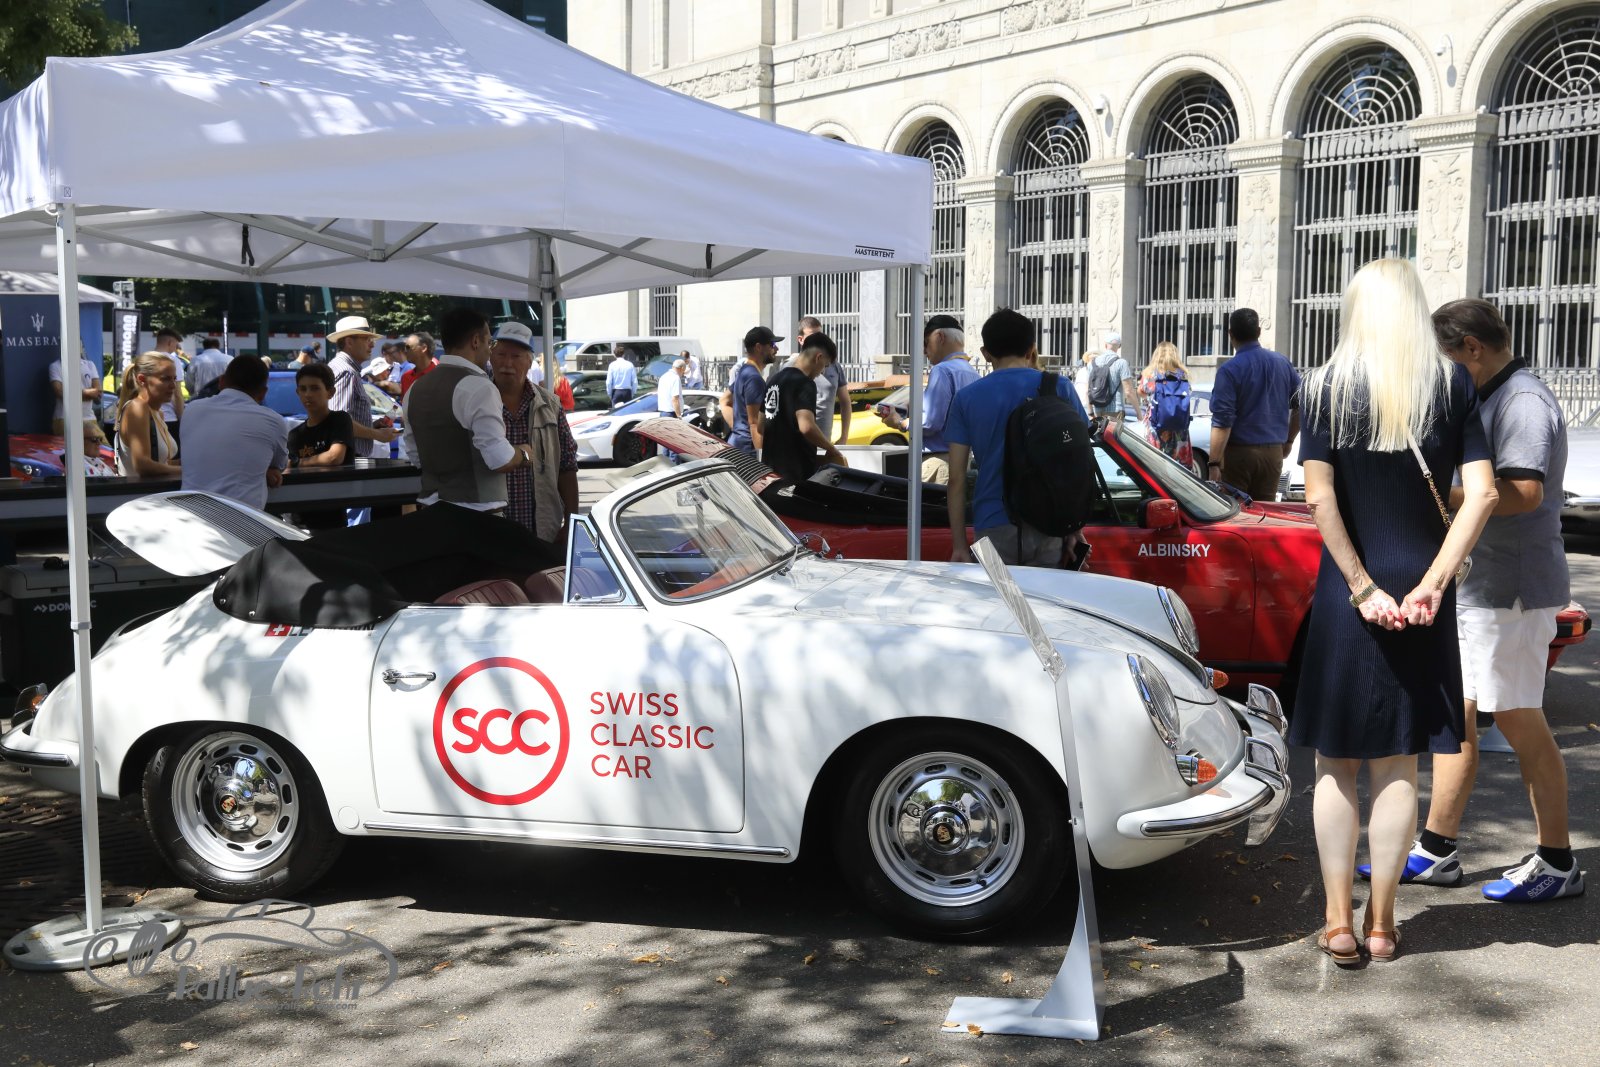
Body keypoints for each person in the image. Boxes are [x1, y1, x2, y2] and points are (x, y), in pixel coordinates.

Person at [1289, 259, 1497, 966]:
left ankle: (1336, 921)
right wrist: (1434, 584)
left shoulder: (1323, 387)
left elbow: (1319, 498)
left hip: (1349, 590)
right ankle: (1382, 923)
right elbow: (1483, 494)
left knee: (1335, 761)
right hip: (1421, 587)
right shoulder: (1452, 384)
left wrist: (1361, 587)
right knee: (1399, 763)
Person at [1365, 299, 1581, 903]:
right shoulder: (1494, 394)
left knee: (1518, 720)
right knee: (1455, 718)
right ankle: (1438, 849)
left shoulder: (1522, 401)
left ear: (1472, 349)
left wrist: (1441, 492)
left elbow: (1525, 492)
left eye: (1444, 359)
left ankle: (1558, 862)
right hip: (1488, 588)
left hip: (1512, 590)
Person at [946, 308, 1090, 567]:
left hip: (991, 525)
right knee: (1043, 595)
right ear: (1031, 349)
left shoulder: (965, 399)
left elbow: (956, 479)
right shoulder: (1059, 387)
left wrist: (958, 545)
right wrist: (1074, 528)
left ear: (985, 353)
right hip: (1049, 523)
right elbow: (1077, 461)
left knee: (997, 595)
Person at [402, 306, 540, 514]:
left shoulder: (415, 388)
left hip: (431, 510)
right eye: (489, 342)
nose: (489, 350)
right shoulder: (479, 387)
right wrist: (525, 454)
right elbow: (499, 458)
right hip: (477, 515)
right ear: (476, 341)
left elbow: (415, 455)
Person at [490, 321, 579, 542]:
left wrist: (571, 522)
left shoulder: (550, 404)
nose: (507, 363)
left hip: (541, 530)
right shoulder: (477, 402)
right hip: (490, 529)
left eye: (516, 356)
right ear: (491, 357)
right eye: (501, 354)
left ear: (530, 362)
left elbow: (567, 466)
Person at [1208, 308, 1301, 499]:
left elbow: (1223, 421)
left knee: (1237, 510)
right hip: (1273, 453)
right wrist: (1289, 440)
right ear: (1258, 331)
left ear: (1230, 334)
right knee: (1265, 511)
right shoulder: (1282, 363)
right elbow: (1302, 405)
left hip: (1239, 455)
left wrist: (1214, 463)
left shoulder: (1229, 370)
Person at [180, 355, 289, 511]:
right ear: (263, 392)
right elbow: (279, 465)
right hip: (241, 520)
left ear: (221, 381)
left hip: (190, 515)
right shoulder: (273, 421)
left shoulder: (191, 410)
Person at [880, 314, 978, 483]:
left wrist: (900, 422)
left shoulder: (942, 370)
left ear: (940, 337)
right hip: (964, 461)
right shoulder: (972, 372)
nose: (924, 351)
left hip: (938, 463)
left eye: (926, 343)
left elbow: (931, 422)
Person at [761, 332, 846, 483]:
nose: (822, 372)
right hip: (795, 475)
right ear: (818, 357)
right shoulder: (805, 384)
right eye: (825, 366)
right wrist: (831, 449)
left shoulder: (774, 380)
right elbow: (807, 427)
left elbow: (760, 425)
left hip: (770, 473)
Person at [326, 316, 399, 460]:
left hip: (346, 457)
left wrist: (371, 426)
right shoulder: (346, 372)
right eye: (366, 339)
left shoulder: (343, 368)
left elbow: (341, 420)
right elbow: (340, 423)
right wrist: (377, 434)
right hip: (348, 459)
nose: (372, 344)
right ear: (349, 342)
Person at [115, 351, 181, 479]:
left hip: (157, 490)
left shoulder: (158, 413)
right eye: (165, 379)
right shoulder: (137, 408)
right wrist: (185, 470)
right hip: (140, 491)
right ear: (142, 380)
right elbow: (143, 465)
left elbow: (161, 462)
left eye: (174, 378)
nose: (173, 385)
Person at [791, 316, 853, 445]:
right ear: (801, 340)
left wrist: (844, 437)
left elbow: (845, 401)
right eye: (812, 336)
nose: (823, 370)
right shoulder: (790, 368)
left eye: (820, 335)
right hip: (798, 443)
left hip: (824, 440)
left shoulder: (834, 365)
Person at [720, 326, 779, 454]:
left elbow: (724, 401)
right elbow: (755, 424)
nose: (776, 349)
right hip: (749, 451)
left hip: (739, 445)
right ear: (759, 347)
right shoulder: (753, 378)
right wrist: (761, 459)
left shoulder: (745, 371)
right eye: (772, 344)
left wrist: (738, 429)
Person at [287, 362, 354, 468]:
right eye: (303, 389)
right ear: (297, 392)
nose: (308, 394)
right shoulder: (294, 435)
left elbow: (334, 457)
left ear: (331, 392)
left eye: (315, 388)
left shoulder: (340, 419)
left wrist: (297, 463)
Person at [49, 344, 106, 449]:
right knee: (73, 452)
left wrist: (74, 394)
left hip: (89, 418)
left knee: (103, 450)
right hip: (65, 419)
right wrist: (87, 393)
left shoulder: (89, 365)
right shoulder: (56, 366)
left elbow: (98, 393)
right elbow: (60, 392)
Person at [1145, 342, 1193, 461]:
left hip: (1156, 429)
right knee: (1179, 467)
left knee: (1155, 464)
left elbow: (1142, 391)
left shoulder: (1151, 375)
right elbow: (1189, 392)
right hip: (1180, 430)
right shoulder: (1183, 375)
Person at [1086, 331, 1138, 422]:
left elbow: (1088, 391)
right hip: (1116, 411)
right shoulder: (1121, 363)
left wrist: (1090, 412)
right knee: (1114, 432)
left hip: (1097, 410)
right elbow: (1129, 392)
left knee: (1101, 432)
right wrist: (1139, 414)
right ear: (1119, 346)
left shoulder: (1092, 364)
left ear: (1105, 345)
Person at [151, 327, 187, 444]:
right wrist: (182, 418)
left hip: (147, 416)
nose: (175, 348)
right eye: (176, 345)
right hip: (169, 418)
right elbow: (177, 394)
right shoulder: (172, 360)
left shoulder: (144, 359)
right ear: (170, 342)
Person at [399, 332, 437, 396]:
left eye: (408, 347)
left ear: (423, 348)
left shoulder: (439, 376)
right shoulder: (406, 377)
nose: (405, 351)